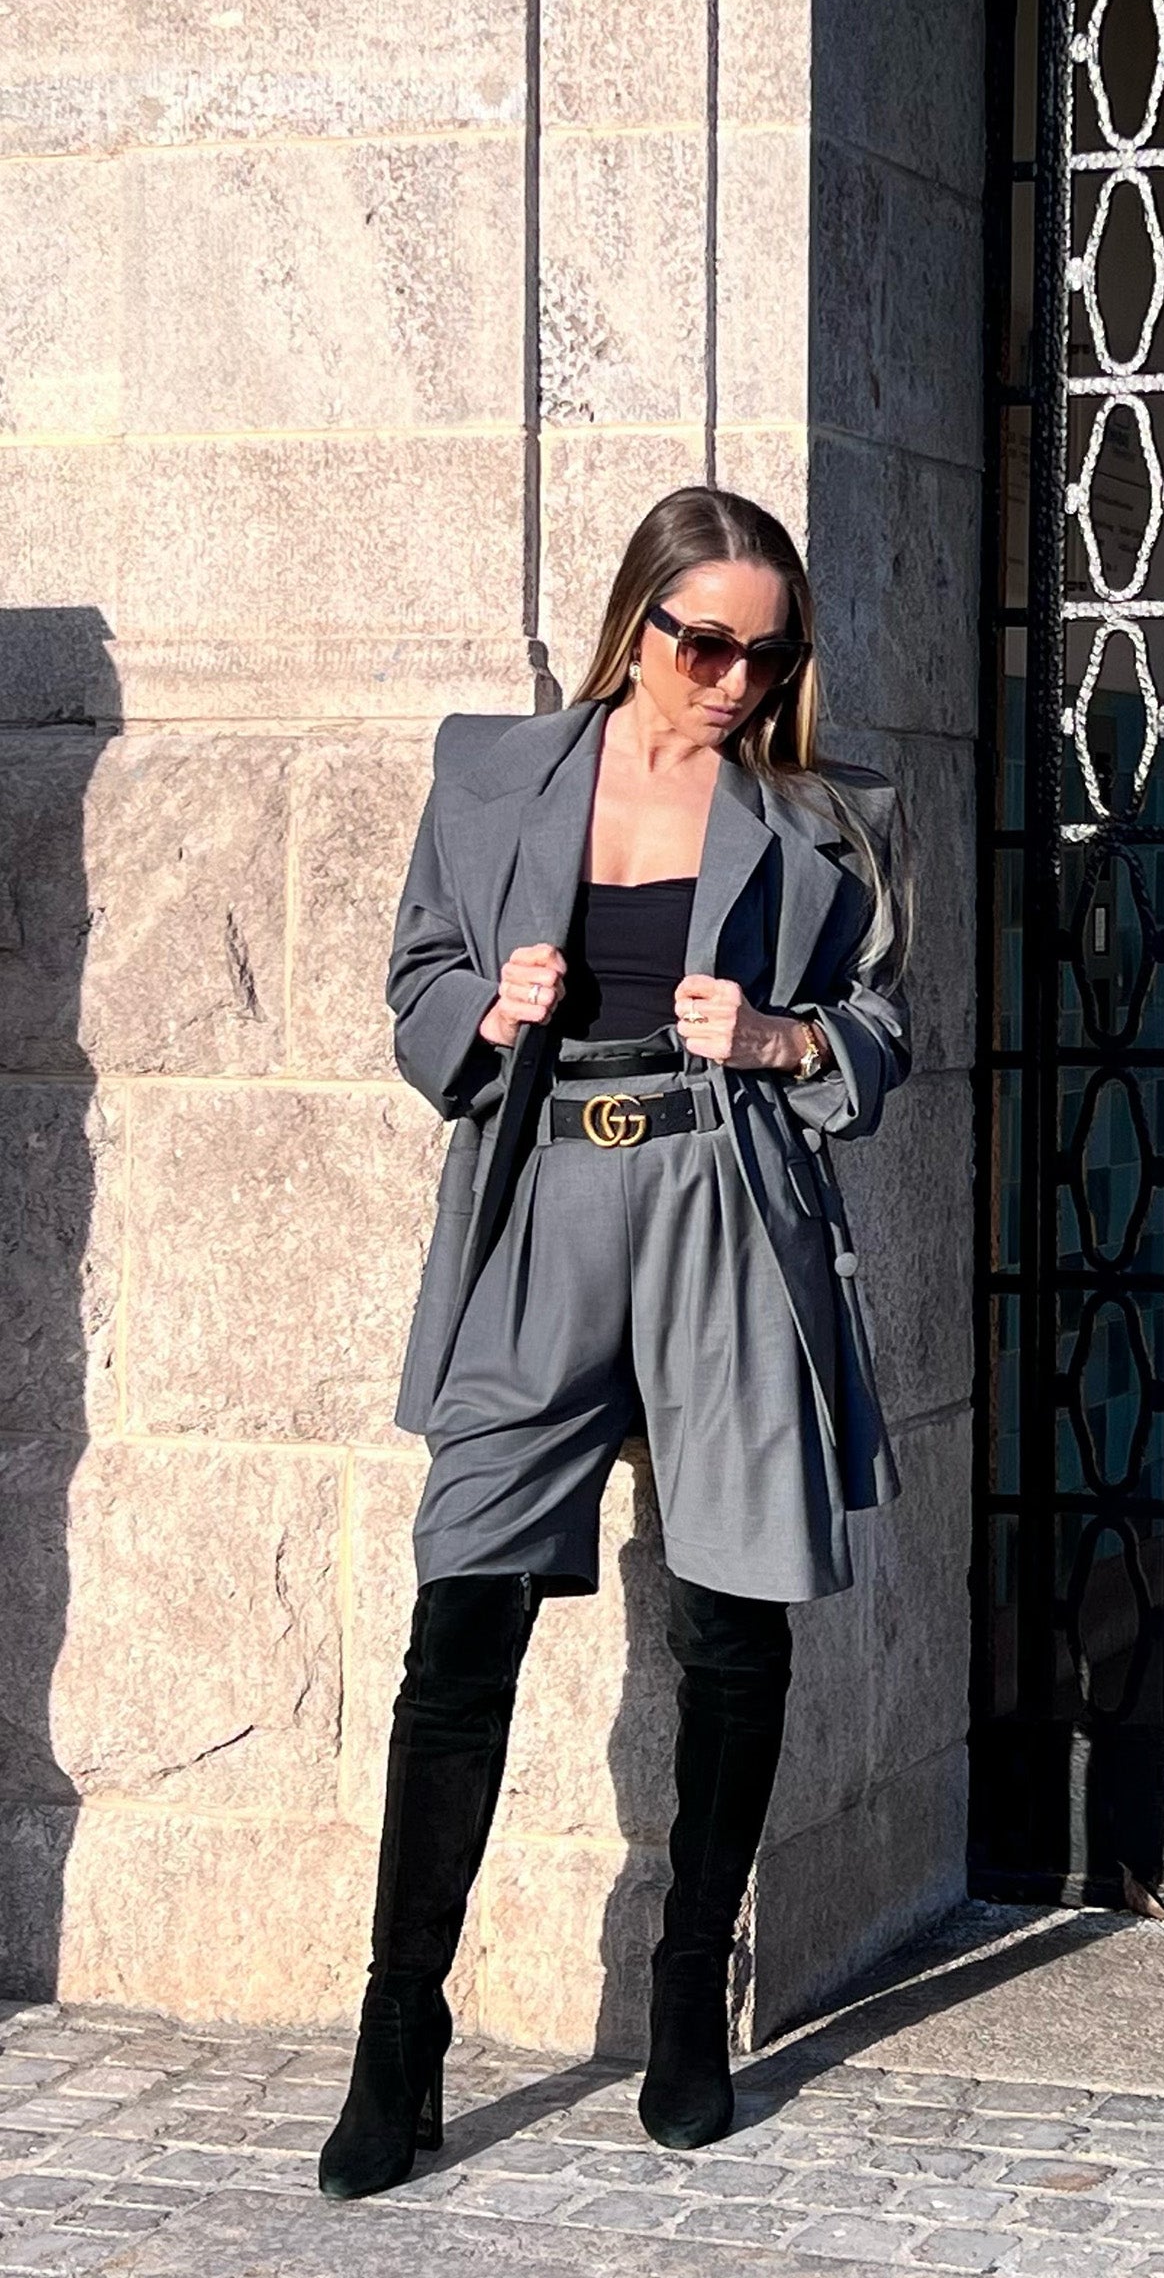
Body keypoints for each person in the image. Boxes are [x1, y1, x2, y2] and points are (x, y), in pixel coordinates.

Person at [318, 486, 909, 2200]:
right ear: (635, 620)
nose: (732, 677)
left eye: (766, 649)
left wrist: (790, 1035)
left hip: (724, 1194)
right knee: (464, 1608)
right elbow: (415, 974)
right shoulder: (495, 774)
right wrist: (483, 1012)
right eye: (703, 640)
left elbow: (885, 1025)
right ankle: (399, 2034)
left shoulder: (831, 815)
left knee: (733, 1621)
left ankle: (686, 1998)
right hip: (540, 1196)